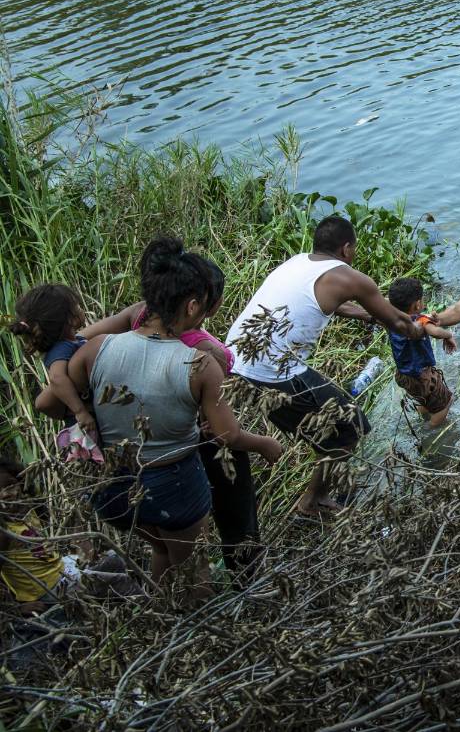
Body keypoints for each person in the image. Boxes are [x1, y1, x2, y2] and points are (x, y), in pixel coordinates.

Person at [68, 238, 282, 601]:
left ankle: (158, 614)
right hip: (173, 486)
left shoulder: (96, 347)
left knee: (163, 551)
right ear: (192, 304)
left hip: (112, 491)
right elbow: (226, 435)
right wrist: (266, 444)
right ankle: (197, 631)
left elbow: (52, 398)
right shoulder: (200, 363)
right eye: (203, 310)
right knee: (191, 569)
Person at [224, 216, 422, 517]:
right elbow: (398, 322)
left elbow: (335, 304)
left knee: (330, 421)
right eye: (354, 249)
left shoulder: (298, 262)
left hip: (234, 363)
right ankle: (312, 502)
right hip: (272, 373)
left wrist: (367, 316)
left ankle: (324, 474)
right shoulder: (350, 277)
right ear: (346, 248)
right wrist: (424, 327)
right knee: (351, 427)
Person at [9, 285, 97, 437]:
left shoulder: (74, 342)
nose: (81, 309)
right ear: (69, 318)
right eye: (77, 306)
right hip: (83, 422)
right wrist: (80, 411)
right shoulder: (62, 348)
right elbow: (57, 378)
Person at [0, 457, 77, 615]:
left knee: (110, 558)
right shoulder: (3, 531)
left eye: (10, 485)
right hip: (46, 588)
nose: (6, 494)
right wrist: (16, 608)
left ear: (21, 483)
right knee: (117, 575)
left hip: (61, 567)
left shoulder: (29, 507)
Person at [386, 278, 457, 428]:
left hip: (404, 375)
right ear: (417, 304)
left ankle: (423, 416)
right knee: (446, 402)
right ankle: (428, 430)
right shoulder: (421, 320)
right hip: (422, 376)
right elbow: (435, 332)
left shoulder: (389, 318)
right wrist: (448, 335)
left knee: (424, 398)